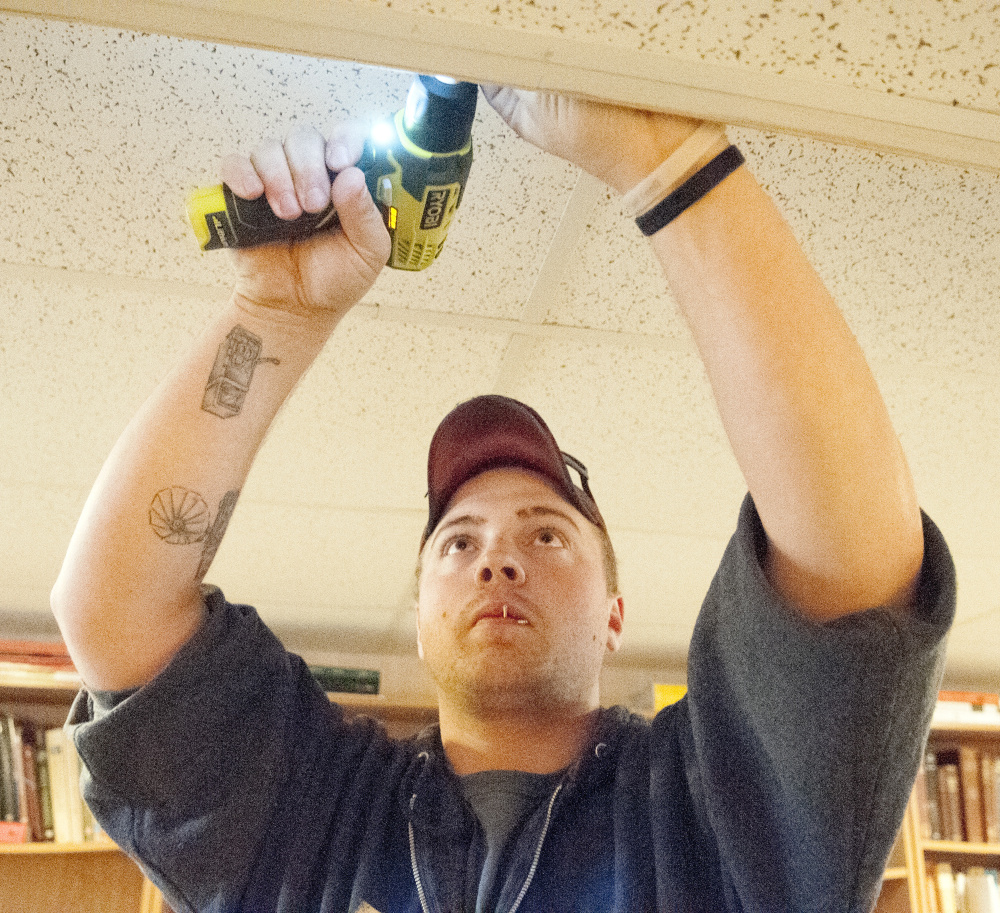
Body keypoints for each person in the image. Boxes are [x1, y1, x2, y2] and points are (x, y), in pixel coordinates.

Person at [50, 84, 954, 913]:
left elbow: (857, 557)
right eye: (456, 541)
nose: (496, 555)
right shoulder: (316, 808)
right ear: (418, 622)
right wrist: (274, 314)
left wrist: (665, 157)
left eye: (549, 534)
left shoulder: (707, 808)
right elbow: (111, 616)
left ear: (613, 614)